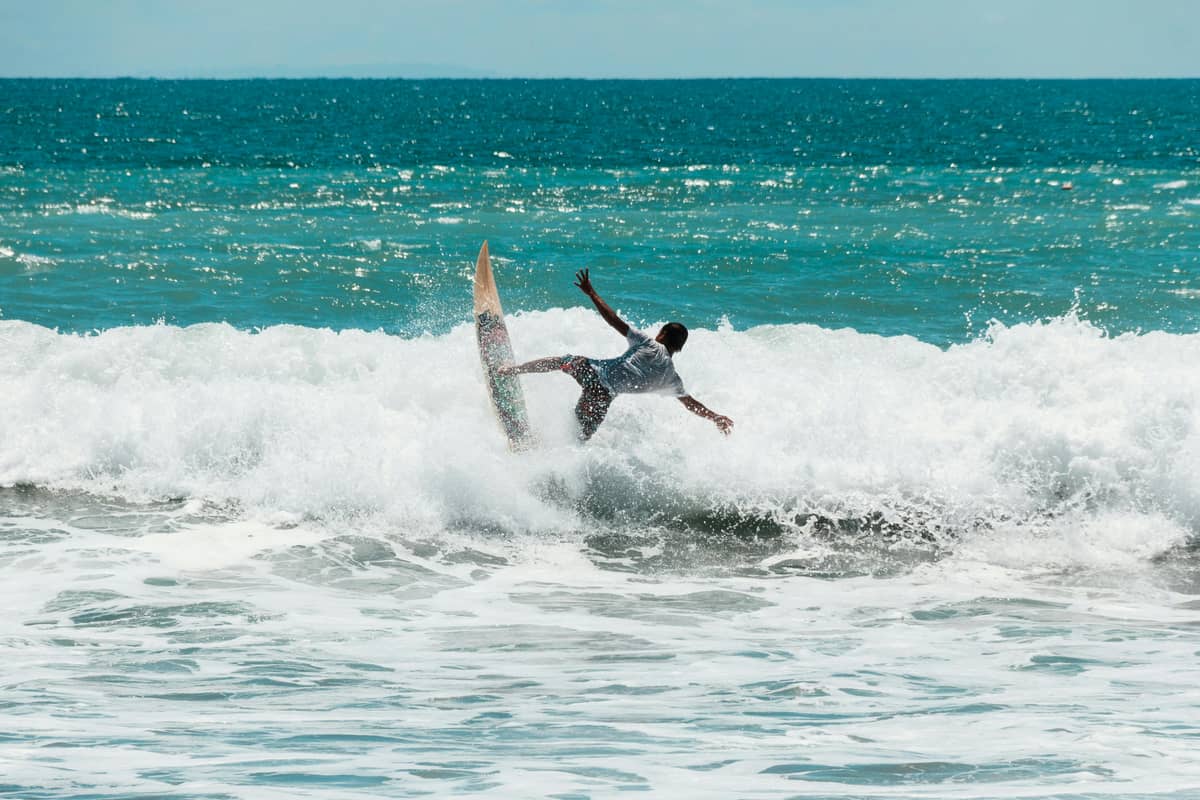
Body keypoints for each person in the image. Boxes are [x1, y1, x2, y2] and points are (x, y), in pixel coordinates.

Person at [501, 269, 733, 441]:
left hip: (592, 373)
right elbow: (691, 404)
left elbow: (613, 320)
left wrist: (591, 293)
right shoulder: (671, 379)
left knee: (562, 362)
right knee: (578, 436)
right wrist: (715, 417)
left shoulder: (648, 343)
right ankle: (548, 455)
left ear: (661, 334)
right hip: (602, 398)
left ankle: (512, 370)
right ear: (679, 348)